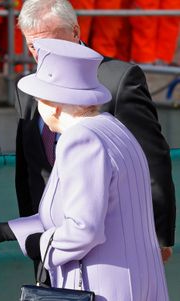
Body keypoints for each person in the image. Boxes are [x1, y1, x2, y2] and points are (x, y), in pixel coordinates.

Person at [0, 38, 170, 301]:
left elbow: (83, 230)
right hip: (135, 282)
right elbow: (73, 213)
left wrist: (39, 245)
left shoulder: (81, 139)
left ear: (52, 104)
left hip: (104, 286)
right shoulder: (110, 126)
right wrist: (6, 231)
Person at [14, 0, 176, 276]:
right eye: (32, 47)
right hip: (51, 245)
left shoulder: (117, 79)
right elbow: (28, 170)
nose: (41, 56)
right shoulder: (29, 87)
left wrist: (159, 236)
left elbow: (152, 160)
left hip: (114, 245)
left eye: (49, 44)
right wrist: (30, 231)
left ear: (75, 32)